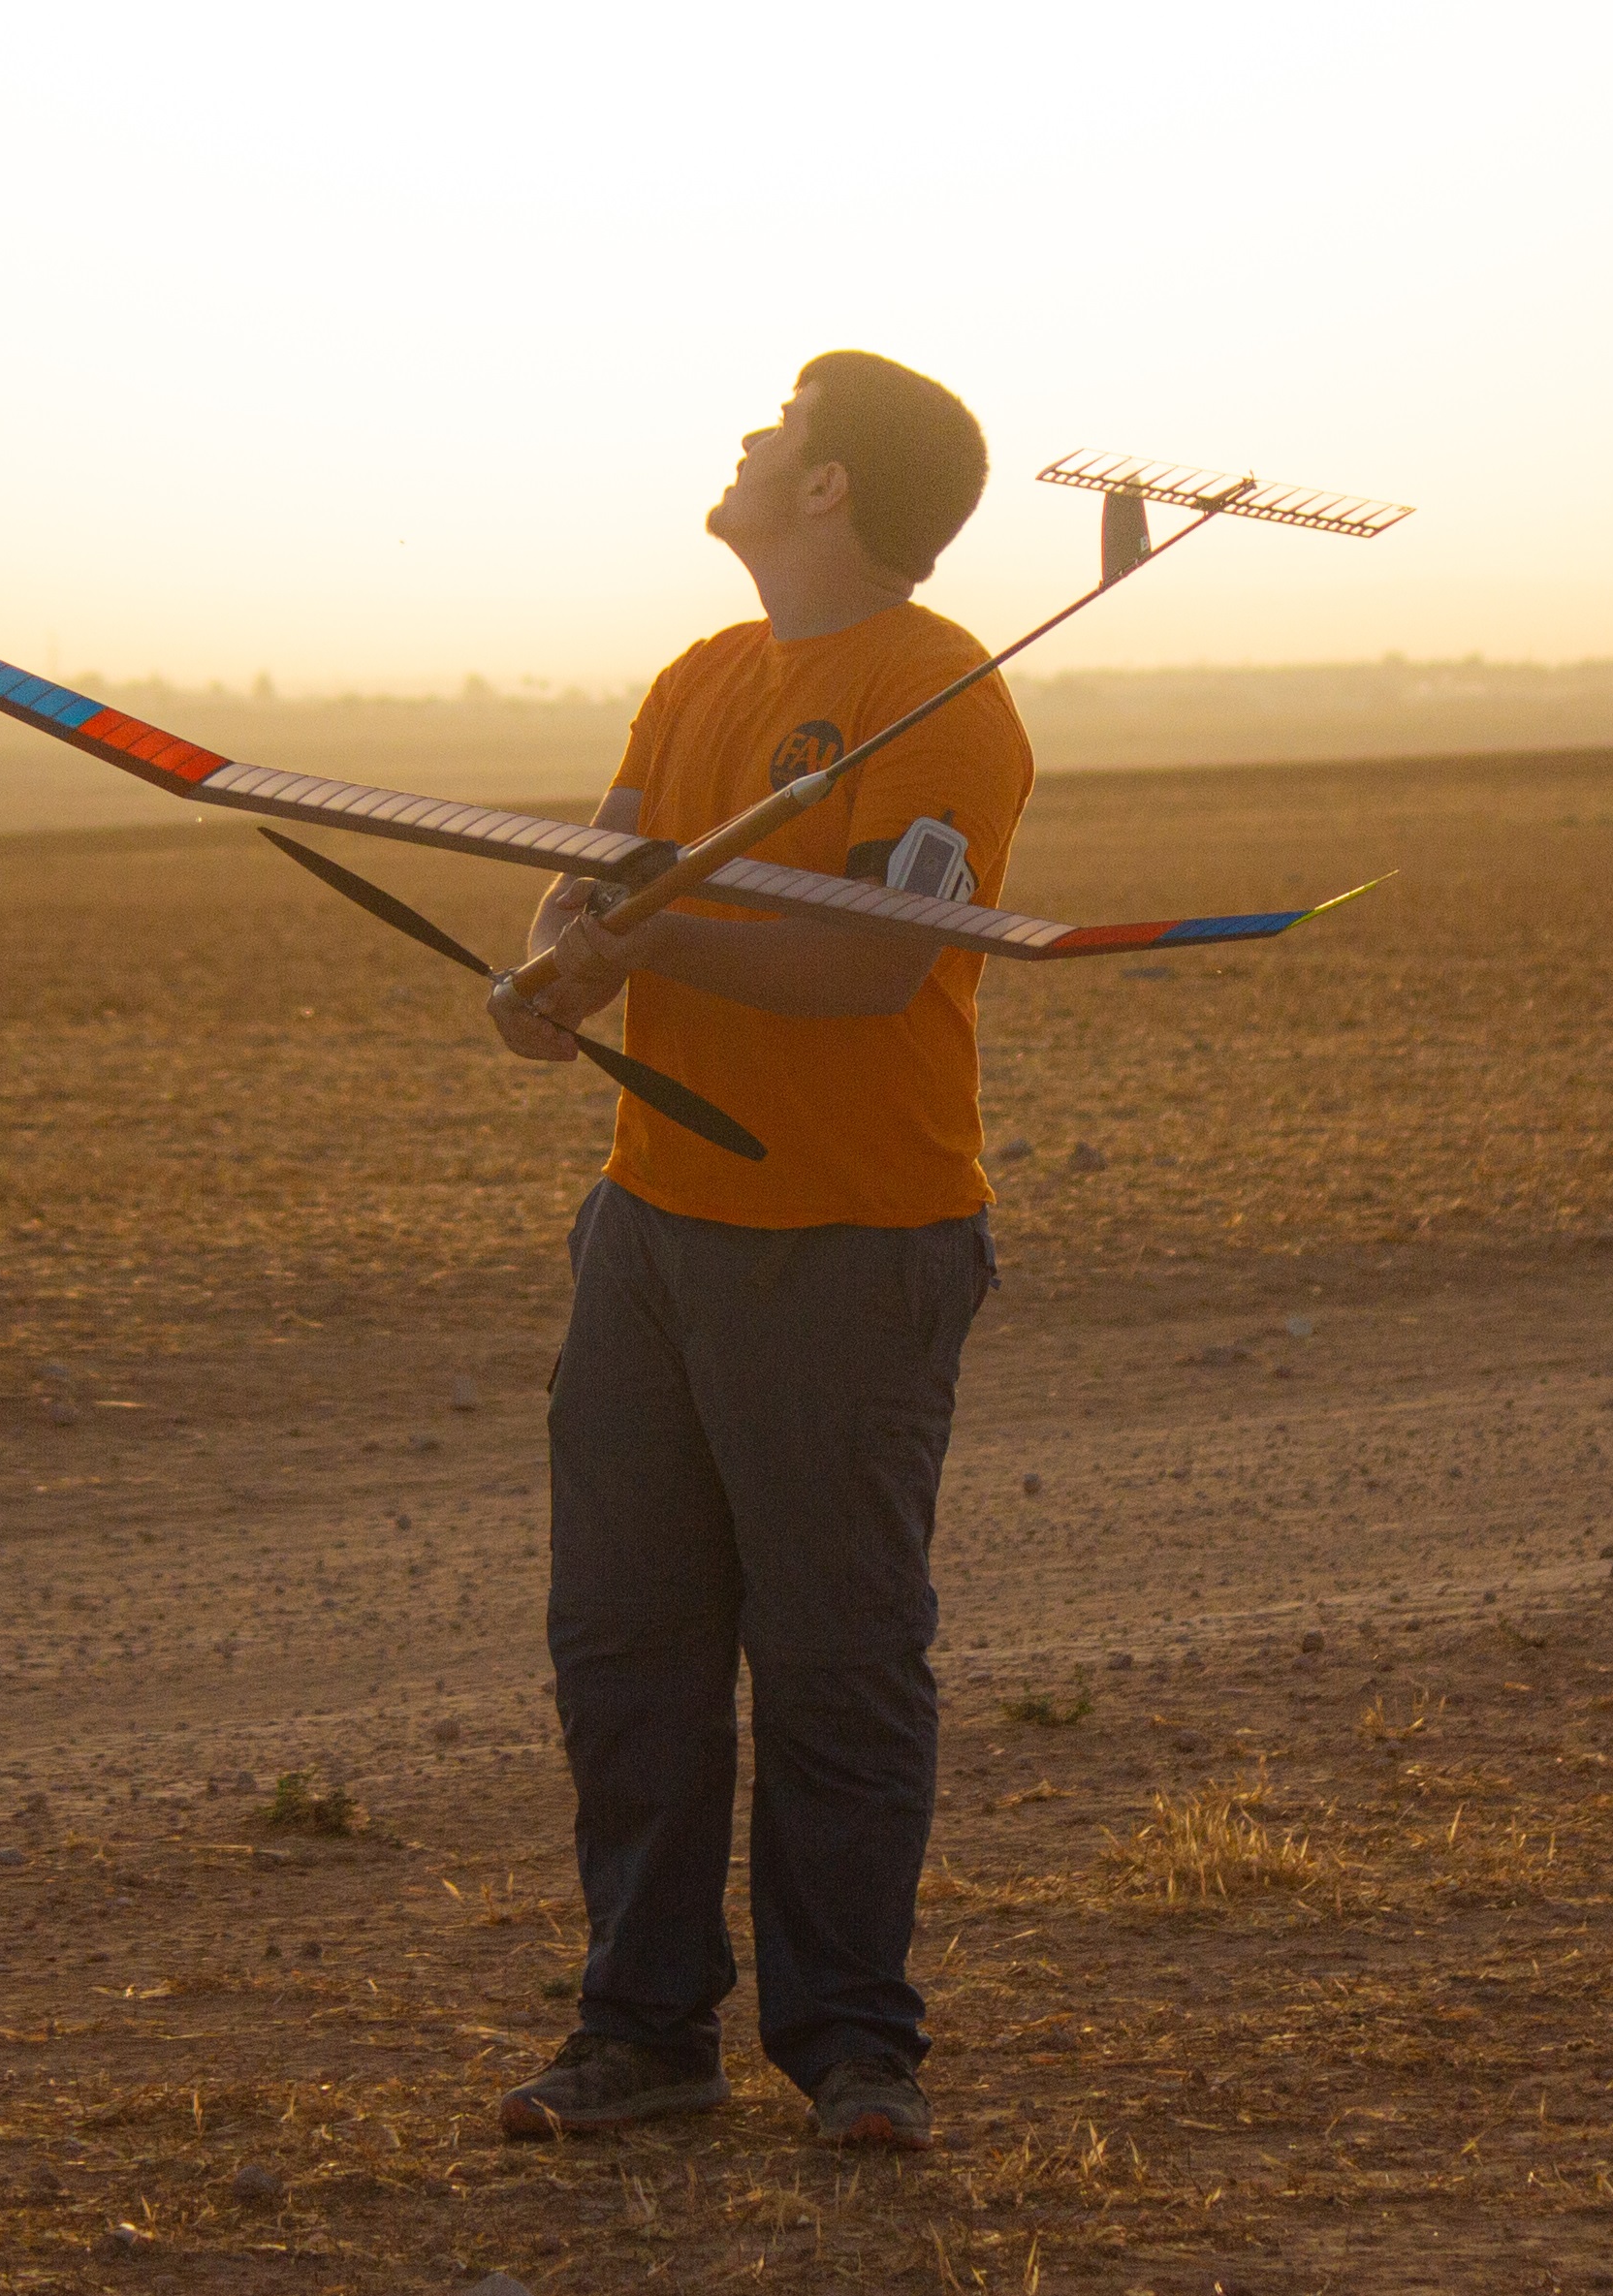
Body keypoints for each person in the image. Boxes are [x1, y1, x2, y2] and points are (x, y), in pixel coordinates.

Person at [481, 350, 1024, 2153]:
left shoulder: (938, 695)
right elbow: (598, 873)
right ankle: (644, 2031)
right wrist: (559, 960)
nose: (742, 440)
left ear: (831, 488)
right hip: (652, 1228)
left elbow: (873, 964)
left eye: (777, 425)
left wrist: (647, 941)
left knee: (835, 1655)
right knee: (624, 1641)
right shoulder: (701, 678)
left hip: (853, 1247)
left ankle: (859, 2045)